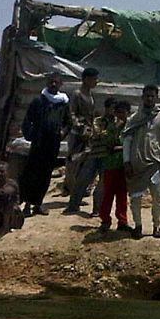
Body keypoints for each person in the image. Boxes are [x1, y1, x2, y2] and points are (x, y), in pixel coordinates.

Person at [123, 84, 160, 239]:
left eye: (152, 96)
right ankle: (138, 226)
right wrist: (126, 162)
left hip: (155, 164)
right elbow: (127, 141)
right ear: (142, 98)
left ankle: (156, 226)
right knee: (135, 197)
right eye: (147, 96)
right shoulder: (134, 118)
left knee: (157, 197)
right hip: (137, 164)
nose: (150, 99)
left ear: (156, 98)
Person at [19, 73, 71, 216]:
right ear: (47, 84)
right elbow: (27, 121)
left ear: (60, 85)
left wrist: (62, 134)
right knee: (32, 173)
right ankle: (27, 205)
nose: (53, 84)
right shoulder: (38, 101)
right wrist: (31, 135)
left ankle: (38, 204)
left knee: (45, 174)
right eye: (51, 82)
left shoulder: (63, 103)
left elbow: (68, 123)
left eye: (56, 82)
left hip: (52, 144)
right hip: (38, 143)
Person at [63, 67, 102, 215]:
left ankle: (78, 196)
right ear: (86, 79)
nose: (96, 81)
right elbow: (71, 114)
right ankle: (72, 195)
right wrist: (80, 126)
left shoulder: (91, 95)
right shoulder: (77, 94)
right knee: (73, 164)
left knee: (85, 166)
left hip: (88, 135)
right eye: (94, 78)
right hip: (77, 135)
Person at [95, 99, 132, 232]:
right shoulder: (112, 127)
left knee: (122, 195)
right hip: (111, 165)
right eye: (119, 112)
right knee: (108, 194)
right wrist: (123, 147)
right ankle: (105, 220)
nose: (121, 115)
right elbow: (109, 145)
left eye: (124, 112)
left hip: (123, 165)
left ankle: (122, 221)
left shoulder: (130, 127)